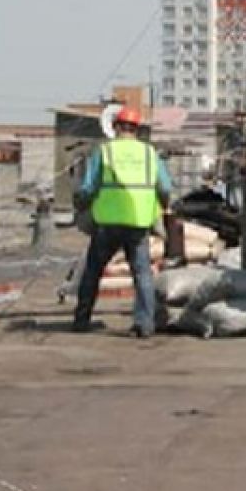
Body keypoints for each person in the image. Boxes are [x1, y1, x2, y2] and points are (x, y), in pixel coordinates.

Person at [72, 106, 173, 338]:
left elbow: (88, 187)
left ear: (116, 127)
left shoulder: (105, 152)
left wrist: (82, 204)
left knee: (93, 271)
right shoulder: (149, 154)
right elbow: (165, 187)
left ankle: (81, 320)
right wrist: (161, 207)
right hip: (138, 221)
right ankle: (145, 325)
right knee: (142, 274)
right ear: (137, 130)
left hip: (107, 222)